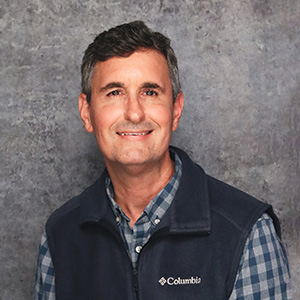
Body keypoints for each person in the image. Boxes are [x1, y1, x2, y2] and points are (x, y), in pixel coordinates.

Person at [34, 20, 292, 300]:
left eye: (150, 92)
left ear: (176, 110)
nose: (134, 113)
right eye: (114, 92)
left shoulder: (246, 232)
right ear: (87, 113)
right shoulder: (60, 234)